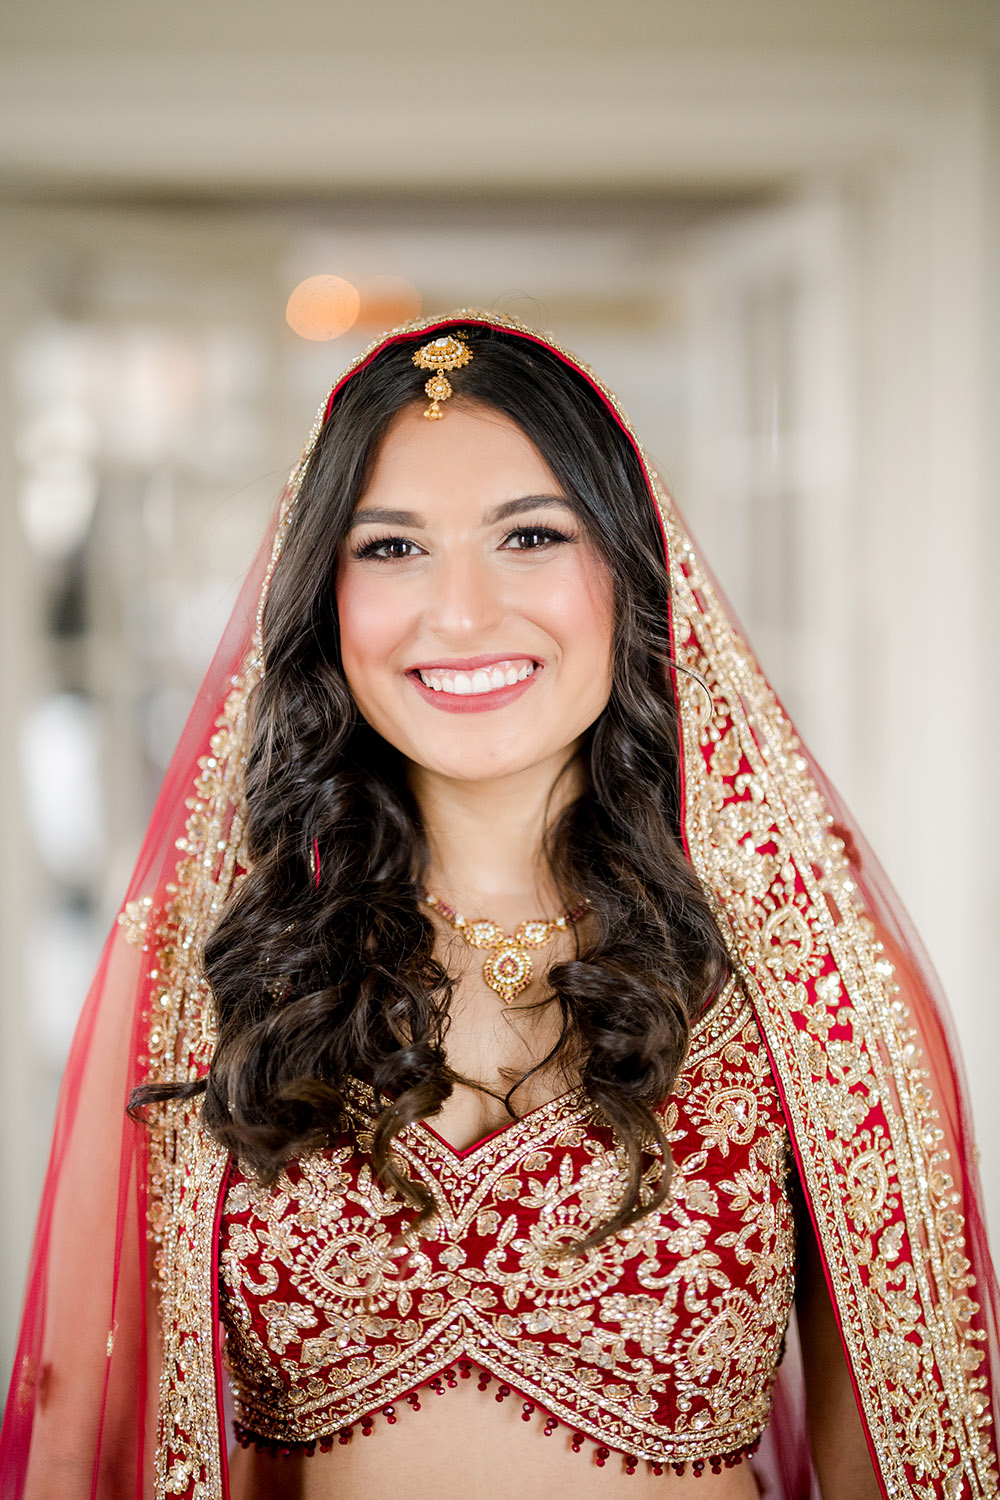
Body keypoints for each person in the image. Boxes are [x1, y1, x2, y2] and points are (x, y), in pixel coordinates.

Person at [2, 311, 997, 1500]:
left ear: (638, 573)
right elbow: (88, 1442)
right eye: (389, 549)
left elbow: (917, 1453)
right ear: (320, 597)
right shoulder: (209, 978)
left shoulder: (809, 985)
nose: (460, 613)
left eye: (529, 535)